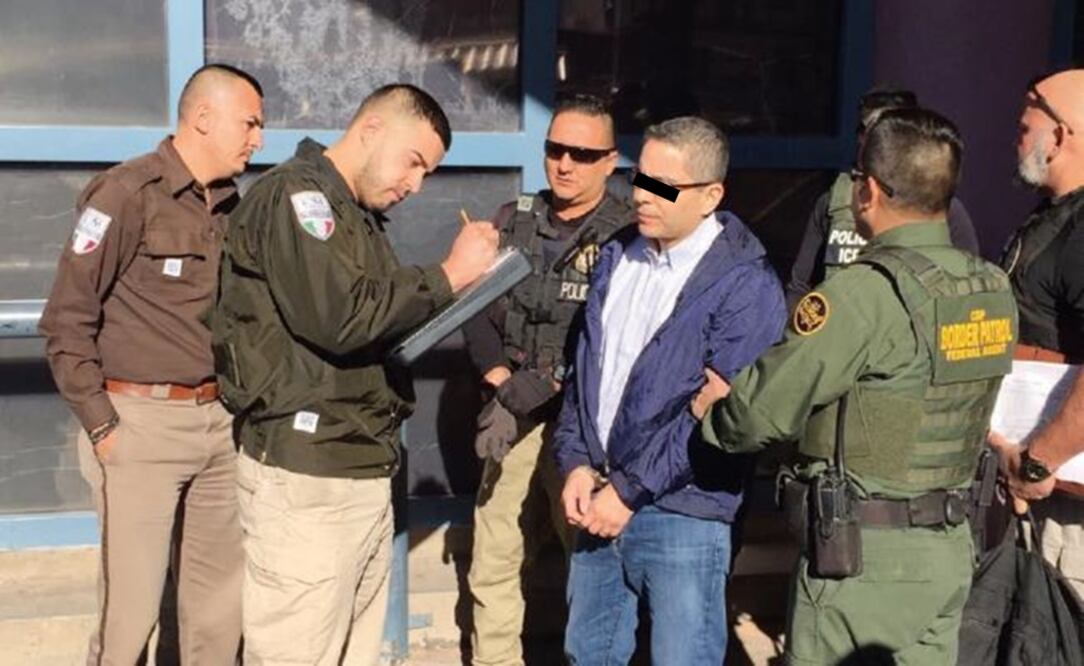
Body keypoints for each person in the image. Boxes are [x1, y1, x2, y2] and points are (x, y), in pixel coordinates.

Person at [695, 107, 1018, 664]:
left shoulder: (863, 294)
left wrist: (717, 413)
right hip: (948, 548)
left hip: (861, 557)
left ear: (866, 190)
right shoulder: (990, 286)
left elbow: (760, 414)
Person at [211, 83, 498, 665]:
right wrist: (449, 273)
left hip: (357, 462)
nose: (414, 185)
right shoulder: (297, 197)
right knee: (298, 652)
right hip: (307, 471)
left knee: (354, 652)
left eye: (427, 173)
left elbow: (375, 321)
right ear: (370, 130)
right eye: (413, 162)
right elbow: (341, 316)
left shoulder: (356, 215)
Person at [38, 63, 264, 664]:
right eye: (250, 122)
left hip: (219, 423)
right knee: (129, 616)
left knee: (219, 614)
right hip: (139, 425)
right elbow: (66, 319)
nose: (257, 138)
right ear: (203, 117)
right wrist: (105, 427)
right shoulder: (125, 193)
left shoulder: (233, 208)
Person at [552, 116, 786, 665]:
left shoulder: (745, 285)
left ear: (711, 196)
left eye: (662, 185)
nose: (640, 194)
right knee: (588, 655)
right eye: (639, 177)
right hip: (598, 499)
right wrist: (576, 460)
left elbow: (713, 416)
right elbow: (585, 370)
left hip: (684, 510)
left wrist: (629, 491)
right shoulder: (617, 256)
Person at [460, 93, 633, 666]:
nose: (565, 164)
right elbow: (476, 310)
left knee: (591, 561)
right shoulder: (515, 218)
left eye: (582, 154)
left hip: (586, 429)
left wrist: (560, 384)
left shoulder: (630, 231)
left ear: (610, 162)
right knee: (496, 555)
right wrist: (500, 378)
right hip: (516, 414)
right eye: (556, 149)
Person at [987, 69, 1084, 598]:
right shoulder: (1048, 218)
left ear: (1060, 136)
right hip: (1033, 482)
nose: (1015, 138)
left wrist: (1040, 459)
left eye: (1025, 127)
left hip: (1066, 500)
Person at [785, 89, 980, 308]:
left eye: (892, 132)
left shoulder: (943, 208)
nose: (879, 140)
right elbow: (800, 287)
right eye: (871, 130)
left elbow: (967, 289)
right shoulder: (835, 202)